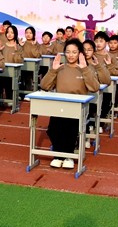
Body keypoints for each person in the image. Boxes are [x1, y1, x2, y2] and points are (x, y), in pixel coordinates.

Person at [39, 39, 99, 169]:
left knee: (71, 130)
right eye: (68, 52)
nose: (71, 55)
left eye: (74, 52)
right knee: (53, 129)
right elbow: (44, 86)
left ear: (80, 53)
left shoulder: (85, 69)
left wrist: (85, 69)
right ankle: (58, 155)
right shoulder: (60, 68)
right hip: (60, 106)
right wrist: (53, 70)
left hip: (77, 108)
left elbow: (94, 88)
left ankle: (68, 156)